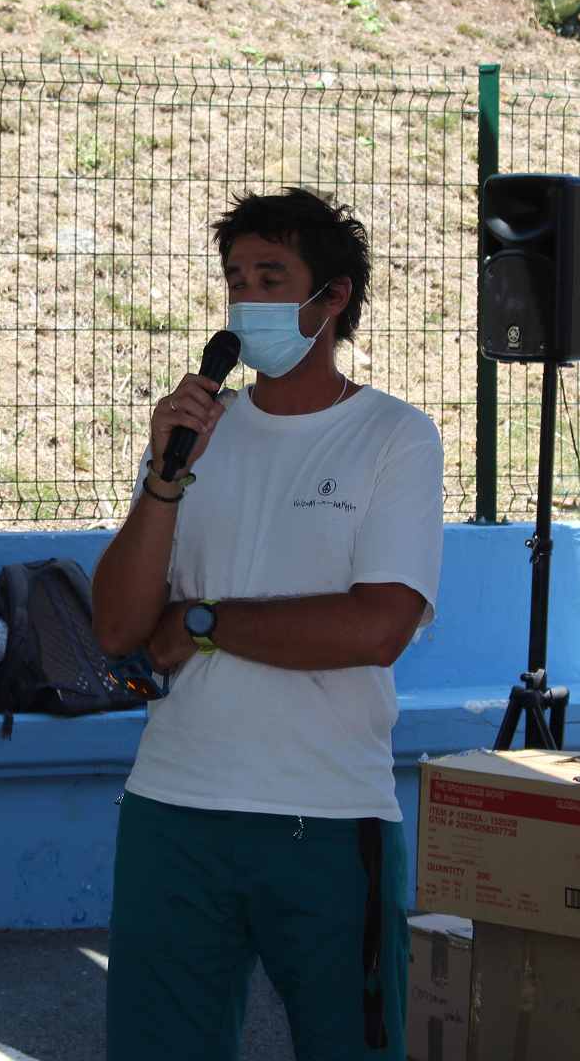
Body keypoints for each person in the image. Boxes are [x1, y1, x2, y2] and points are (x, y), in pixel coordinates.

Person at [91, 188, 444, 1061]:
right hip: (174, 807)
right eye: (235, 279)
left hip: (324, 814)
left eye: (271, 277)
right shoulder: (196, 437)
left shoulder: (393, 436)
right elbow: (119, 626)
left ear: (333, 297)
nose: (246, 299)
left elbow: (374, 628)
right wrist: (163, 478)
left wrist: (202, 620)